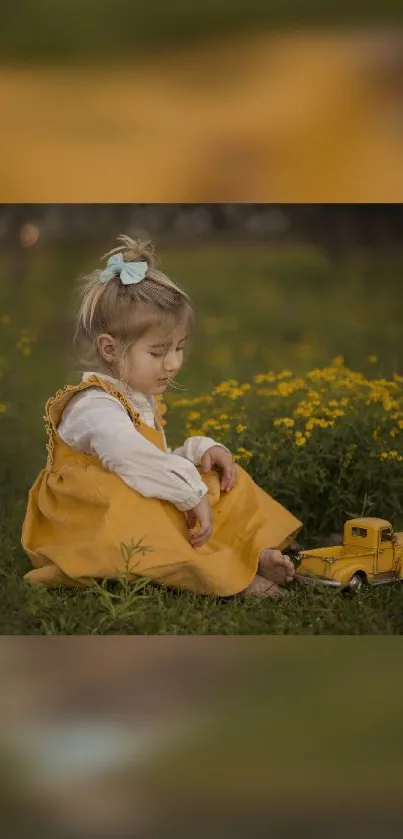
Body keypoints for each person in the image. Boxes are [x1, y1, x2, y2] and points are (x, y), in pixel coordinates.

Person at [21, 235, 302, 598]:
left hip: (136, 490)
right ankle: (231, 576)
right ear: (110, 349)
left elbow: (154, 462)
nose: (173, 364)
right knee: (146, 509)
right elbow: (130, 457)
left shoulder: (136, 397)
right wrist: (188, 490)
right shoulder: (94, 407)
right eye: (157, 353)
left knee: (219, 480)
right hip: (89, 525)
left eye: (179, 349)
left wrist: (195, 454)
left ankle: (251, 550)